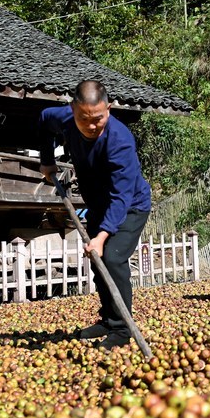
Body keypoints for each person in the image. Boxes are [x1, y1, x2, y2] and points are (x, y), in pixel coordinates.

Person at [38, 80, 152, 350]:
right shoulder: (63, 118)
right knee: (97, 261)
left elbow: (121, 197)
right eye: (83, 119)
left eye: (98, 119)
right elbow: (44, 120)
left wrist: (102, 236)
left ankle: (123, 329)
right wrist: (46, 160)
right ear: (73, 109)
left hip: (131, 205)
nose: (91, 126)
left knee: (111, 257)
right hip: (99, 204)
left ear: (109, 109)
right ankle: (109, 319)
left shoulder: (120, 141)